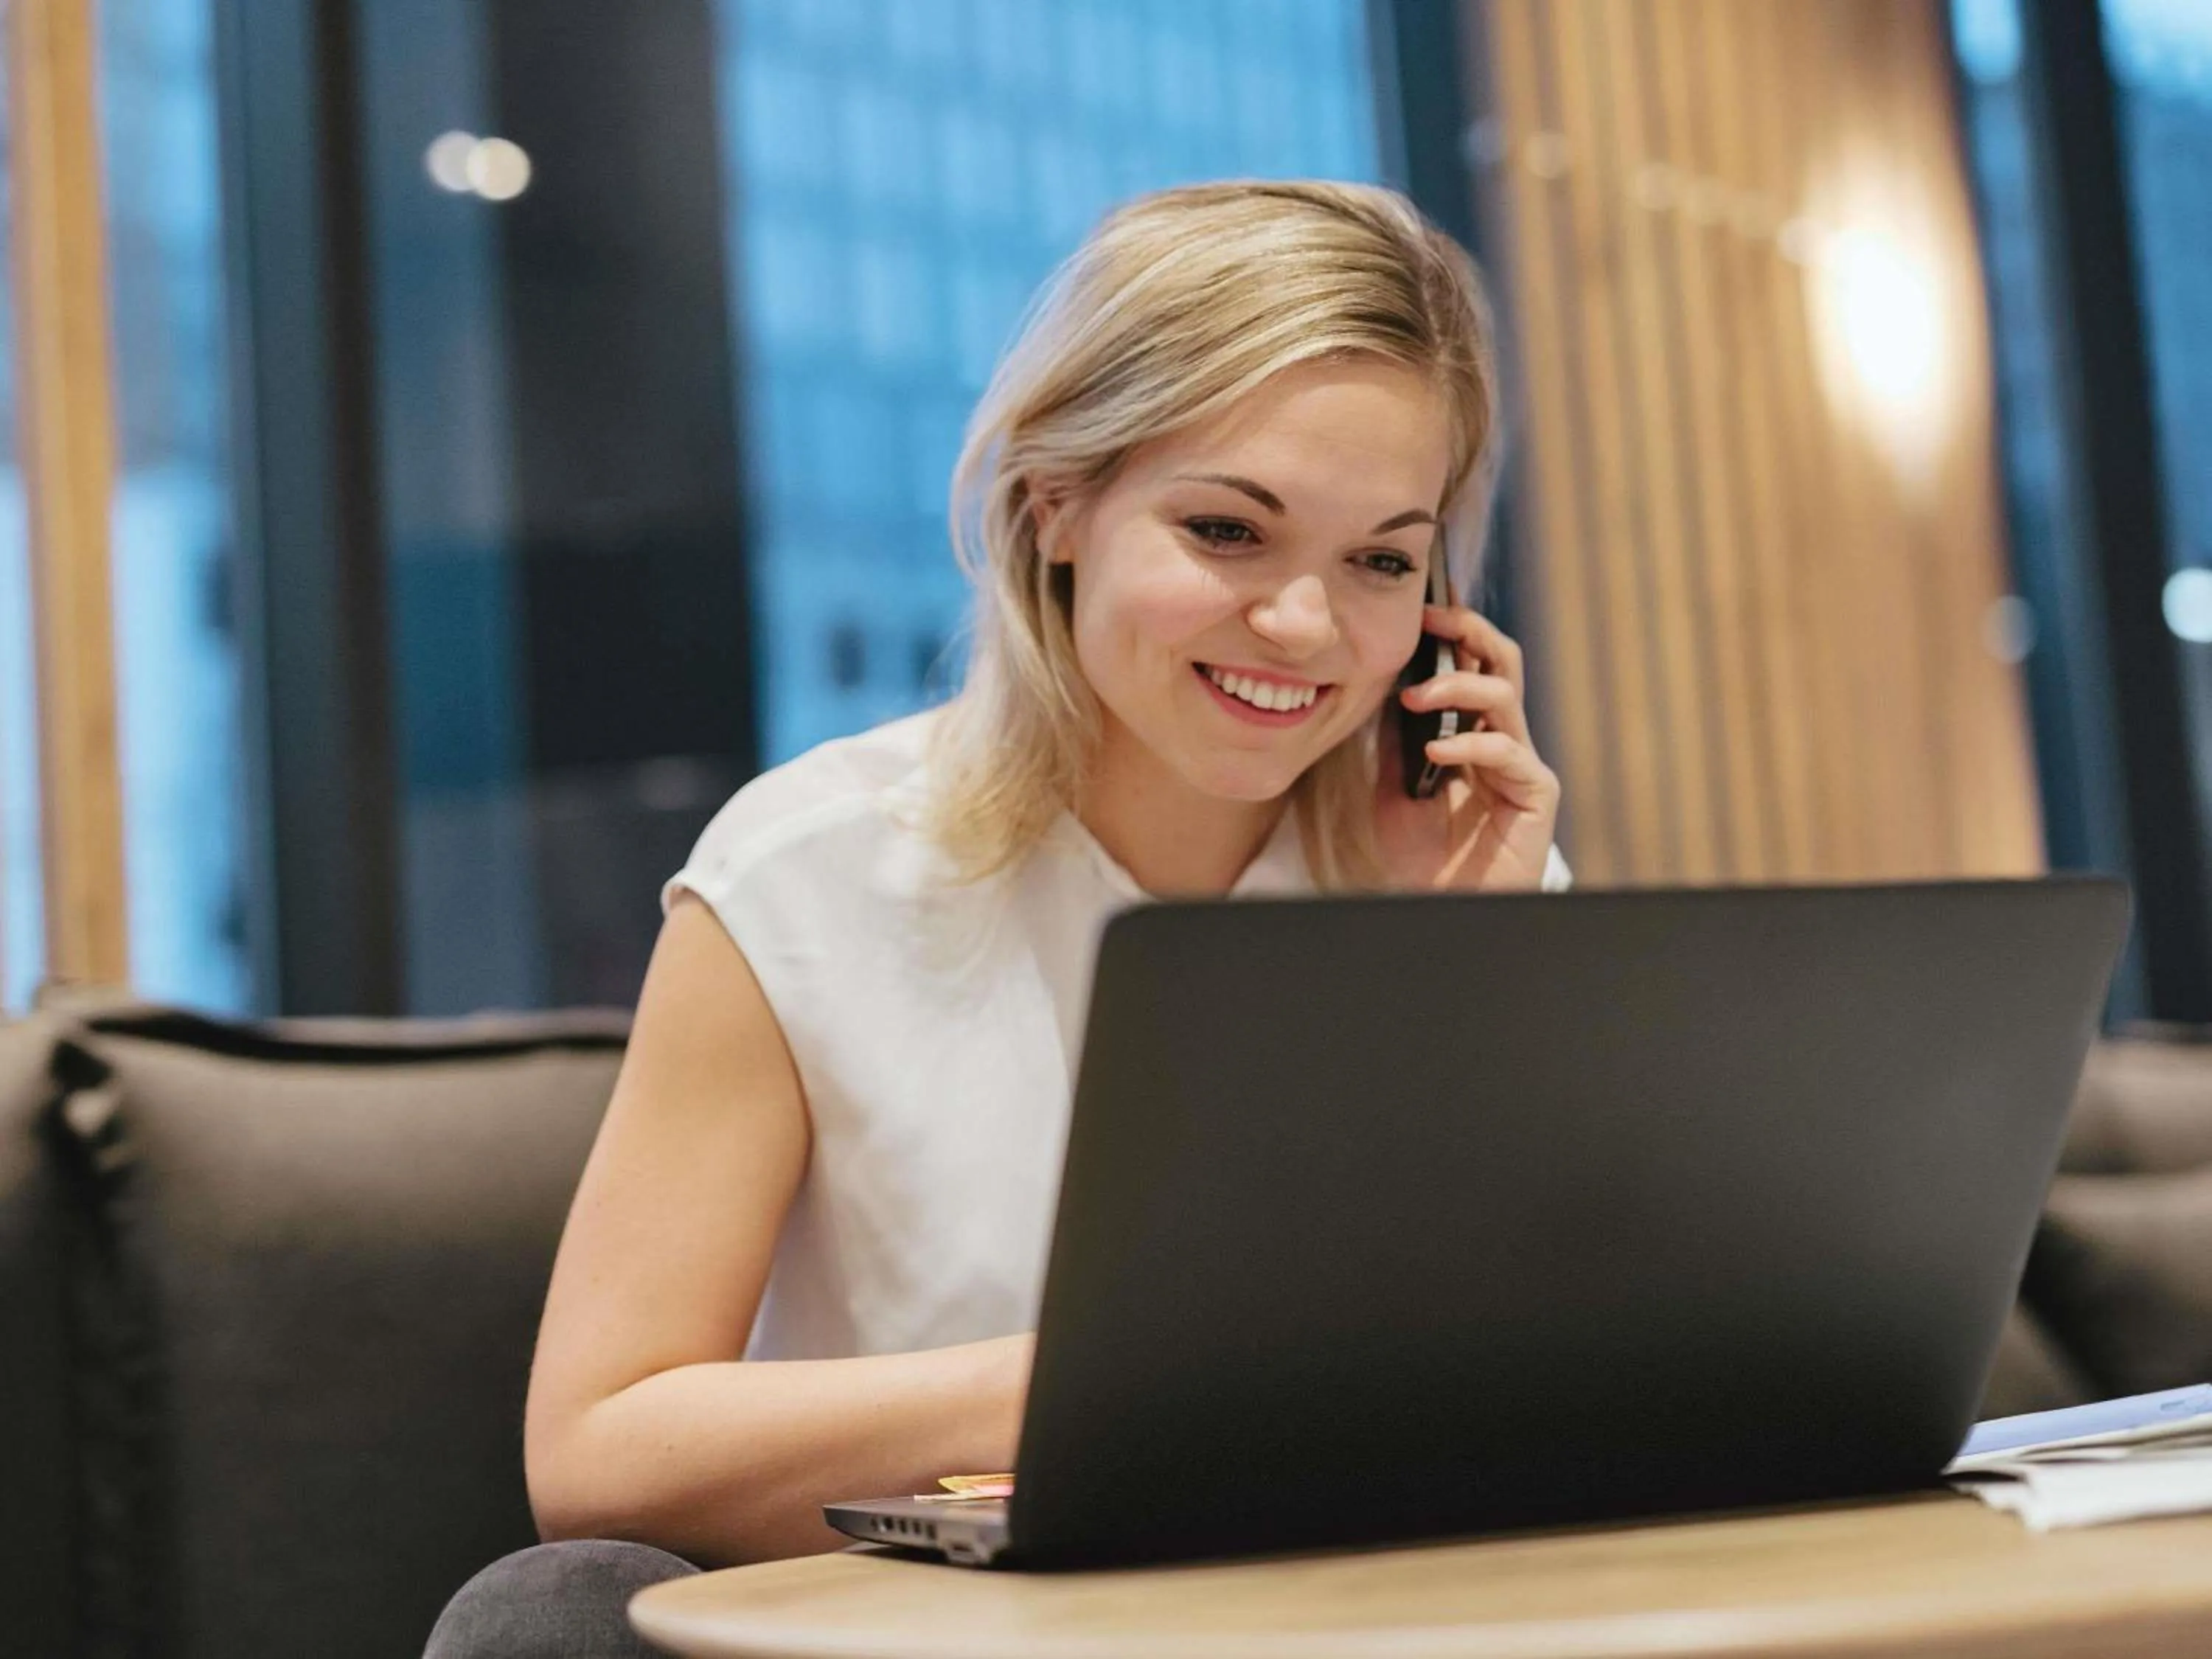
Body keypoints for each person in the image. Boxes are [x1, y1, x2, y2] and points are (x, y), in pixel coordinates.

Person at [425, 178, 1566, 1657]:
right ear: (1059, 504)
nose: (1306, 626)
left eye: (1382, 561)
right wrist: (1098, 1384)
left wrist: (1453, 976)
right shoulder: (808, 873)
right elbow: (597, 1452)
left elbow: (1542, 1397)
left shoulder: (1463, 879)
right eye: (1228, 531)